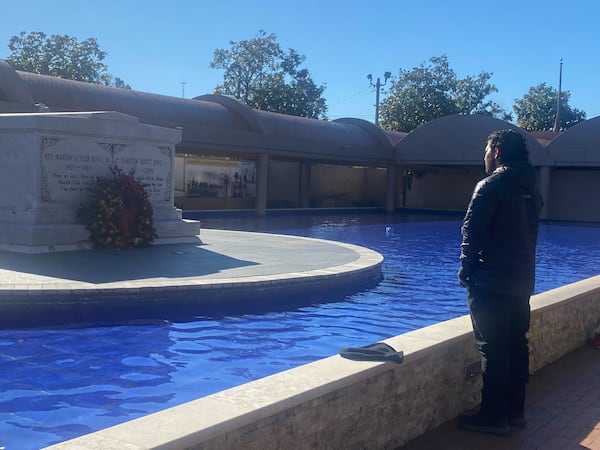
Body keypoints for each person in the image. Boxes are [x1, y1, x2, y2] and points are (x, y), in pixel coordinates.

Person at [457, 129, 543, 436]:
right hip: (521, 283)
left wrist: (466, 271)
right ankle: (514, 412)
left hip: (490, 283)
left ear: (496, 152)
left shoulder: (490, 186)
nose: (484, 156)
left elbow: (472, 232)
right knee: (517, 346)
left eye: (486, 149)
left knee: (492, 350)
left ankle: (493, 417)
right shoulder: (532, 189)